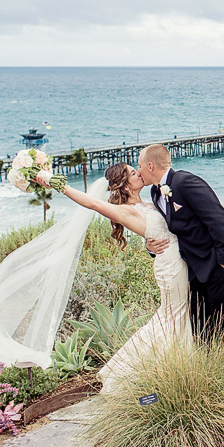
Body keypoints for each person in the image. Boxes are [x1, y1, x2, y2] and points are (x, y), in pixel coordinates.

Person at [36, 161, 190, 392]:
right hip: (171, 266)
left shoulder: (149, 201)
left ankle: (174, 368)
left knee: (175, 316)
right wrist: (55, 182)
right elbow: (91, 203)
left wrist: (149, 242)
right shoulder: (125, 210)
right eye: (131, 172)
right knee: (172, 316)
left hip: (178, 260)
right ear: (124, 185)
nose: (138, 173)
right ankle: (128, 372)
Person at [137, 144, 224, 342]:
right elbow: (166, 229)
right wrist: (150, 246)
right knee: (200, 328)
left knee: (222, 327)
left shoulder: (185, 182)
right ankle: (206, 371)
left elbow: (218, 219)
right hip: (190, 268)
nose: (138, 171)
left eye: (139, 166)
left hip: (215, 264)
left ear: (150, 166)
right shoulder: (155, 192)